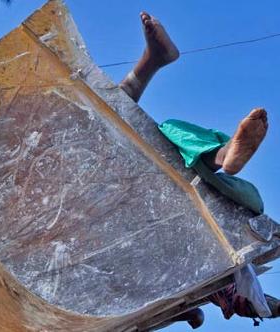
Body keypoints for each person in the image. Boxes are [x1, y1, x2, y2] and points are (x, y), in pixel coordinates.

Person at [119, 11, 280, 329]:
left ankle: (223, 155)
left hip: (211, 196)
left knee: (167, 133)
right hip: (219, 212)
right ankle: (220, 156)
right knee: (166, 133)